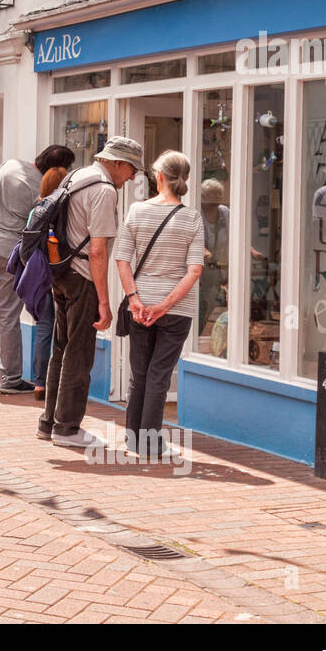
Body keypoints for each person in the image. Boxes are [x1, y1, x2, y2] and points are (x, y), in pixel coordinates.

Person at [38, 136, 142, 447]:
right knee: (79, 353)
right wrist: (104, 301)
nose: (133, 177)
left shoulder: (76, 176)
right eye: (132, 169)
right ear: (118, 163)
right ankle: (67, 428)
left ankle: (49, 422)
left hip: (60, 272)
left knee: (61, 349)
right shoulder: (104, 190)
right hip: (82, 276)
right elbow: (98, 251)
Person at [0, 145, 74, 396]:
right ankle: (10, 379)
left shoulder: (9, 164)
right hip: (4, 250)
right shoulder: (40, 189)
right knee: (8, 315)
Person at [114, 151, 204, 459]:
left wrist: (135, 299)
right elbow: (194, 270)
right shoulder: (192, 218)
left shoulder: (136, 211)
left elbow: (122, 259)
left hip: (141, 305)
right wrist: (164, 306)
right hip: (176, 309)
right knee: (159, 374)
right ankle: (151, 443)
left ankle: (133, 439)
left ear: (159, 177)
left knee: (139, 372)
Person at [28, 159, 76, 397]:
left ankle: (39, 383)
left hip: (39, 274)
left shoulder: (36, 209)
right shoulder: (65, 208)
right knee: (65, 328)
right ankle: (60, 382)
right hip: (61, 272)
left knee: (44, 327)